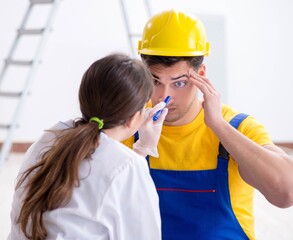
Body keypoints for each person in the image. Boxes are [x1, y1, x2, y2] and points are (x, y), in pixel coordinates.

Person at [123, 9, 293, 240]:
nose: (165, 97)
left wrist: (219, 126)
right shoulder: (127, 127)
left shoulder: (238, 126)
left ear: (201, 74)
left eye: (179, 83)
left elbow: (285, 194)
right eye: (155, 81)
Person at [8, 53, 168, 240]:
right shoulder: (129, 167)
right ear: (135, 118)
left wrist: (140, 151)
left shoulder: (50, 137)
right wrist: (142, 150)